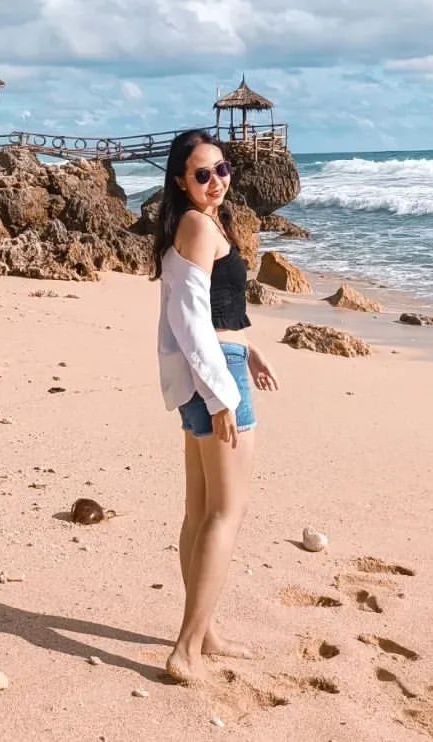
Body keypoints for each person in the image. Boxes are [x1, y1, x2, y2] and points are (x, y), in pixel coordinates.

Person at [152, 128, 279, 682]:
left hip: (213, 370)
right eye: (202, 174)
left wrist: (246, 348)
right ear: (182, 181)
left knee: (201, 512)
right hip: (214, 381)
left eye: (222, 170)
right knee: (225, 514)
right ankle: (185, 650)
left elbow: (208, 313)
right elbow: (188, 321)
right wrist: (221, 393)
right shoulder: (198, 226)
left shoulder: (198, 224)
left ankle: (205, 632)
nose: (216, 182)